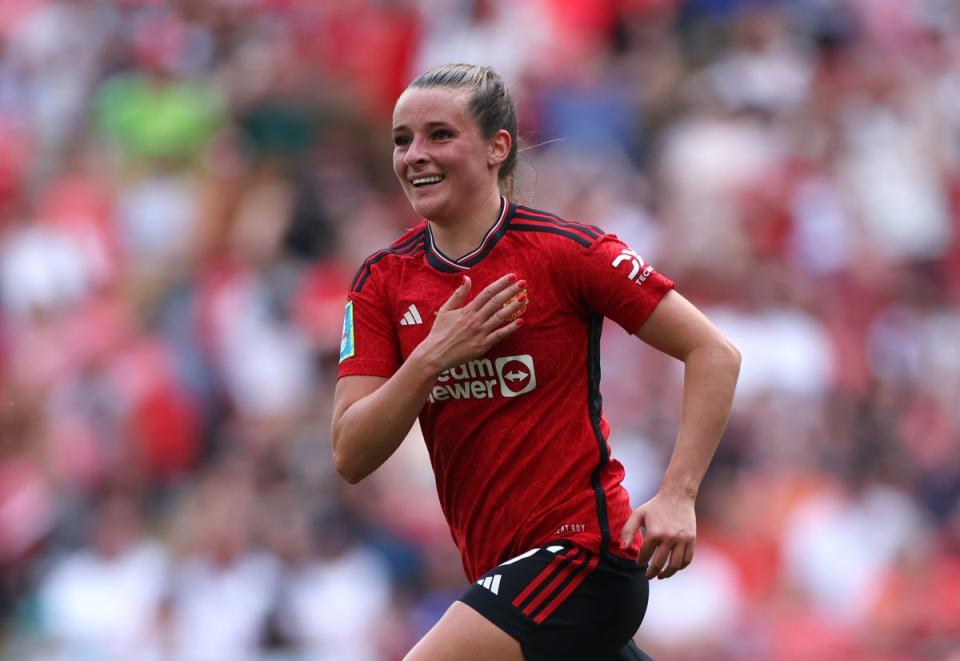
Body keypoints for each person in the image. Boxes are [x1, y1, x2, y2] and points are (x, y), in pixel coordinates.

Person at [332, 63, 740, 661]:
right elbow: (349, 453)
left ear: (498, 147)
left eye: (439, 135)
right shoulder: (382, 282)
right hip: (502, 573)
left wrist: (679, 493)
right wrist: (431, 358)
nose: (415, 155)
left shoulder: (566, 252)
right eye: (402, 140)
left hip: (584, 558)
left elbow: (714, 352)